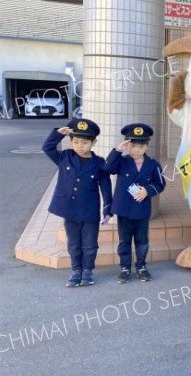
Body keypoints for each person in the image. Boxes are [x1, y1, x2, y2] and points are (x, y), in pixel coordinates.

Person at [42, 118, 112, 287]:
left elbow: (106, 186)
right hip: (70, 210)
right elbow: (47, 148)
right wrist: (58, 134)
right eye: (76, 142)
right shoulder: (64, 157)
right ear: (71, 141)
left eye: (85, 142)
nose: (80, 146)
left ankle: (87, 270)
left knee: (90, 244)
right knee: (73, 243)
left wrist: (107, 208)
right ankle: (76, 270)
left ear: (94, 142)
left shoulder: (99, 163)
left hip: (89, 211)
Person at [104, 123, 165, 284]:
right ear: (128, 145)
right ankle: (125, 268)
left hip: (142, 210)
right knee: (124, 241)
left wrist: (147, 190)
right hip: (124, 210)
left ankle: (141, 266)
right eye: (132, 146)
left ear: (147, 146)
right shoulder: (122, 161)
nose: (136, 150)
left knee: (142, 240)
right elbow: (108, 168)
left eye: (140, 146)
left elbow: (160, 184)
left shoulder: (153, 165)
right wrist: (117, 150)